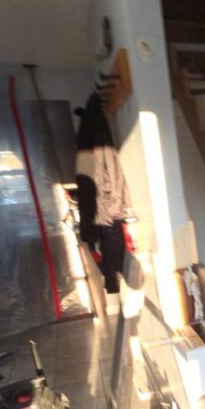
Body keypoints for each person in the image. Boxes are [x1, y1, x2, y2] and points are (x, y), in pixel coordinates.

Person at [74, 91, 133, 293]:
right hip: (104, 212)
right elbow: (110, 171)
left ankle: (114, 278)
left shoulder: (93, 141)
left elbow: (109, 171)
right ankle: (114, 278)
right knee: (109, 246)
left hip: (104, 212)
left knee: (110, 248)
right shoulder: (94, 140)